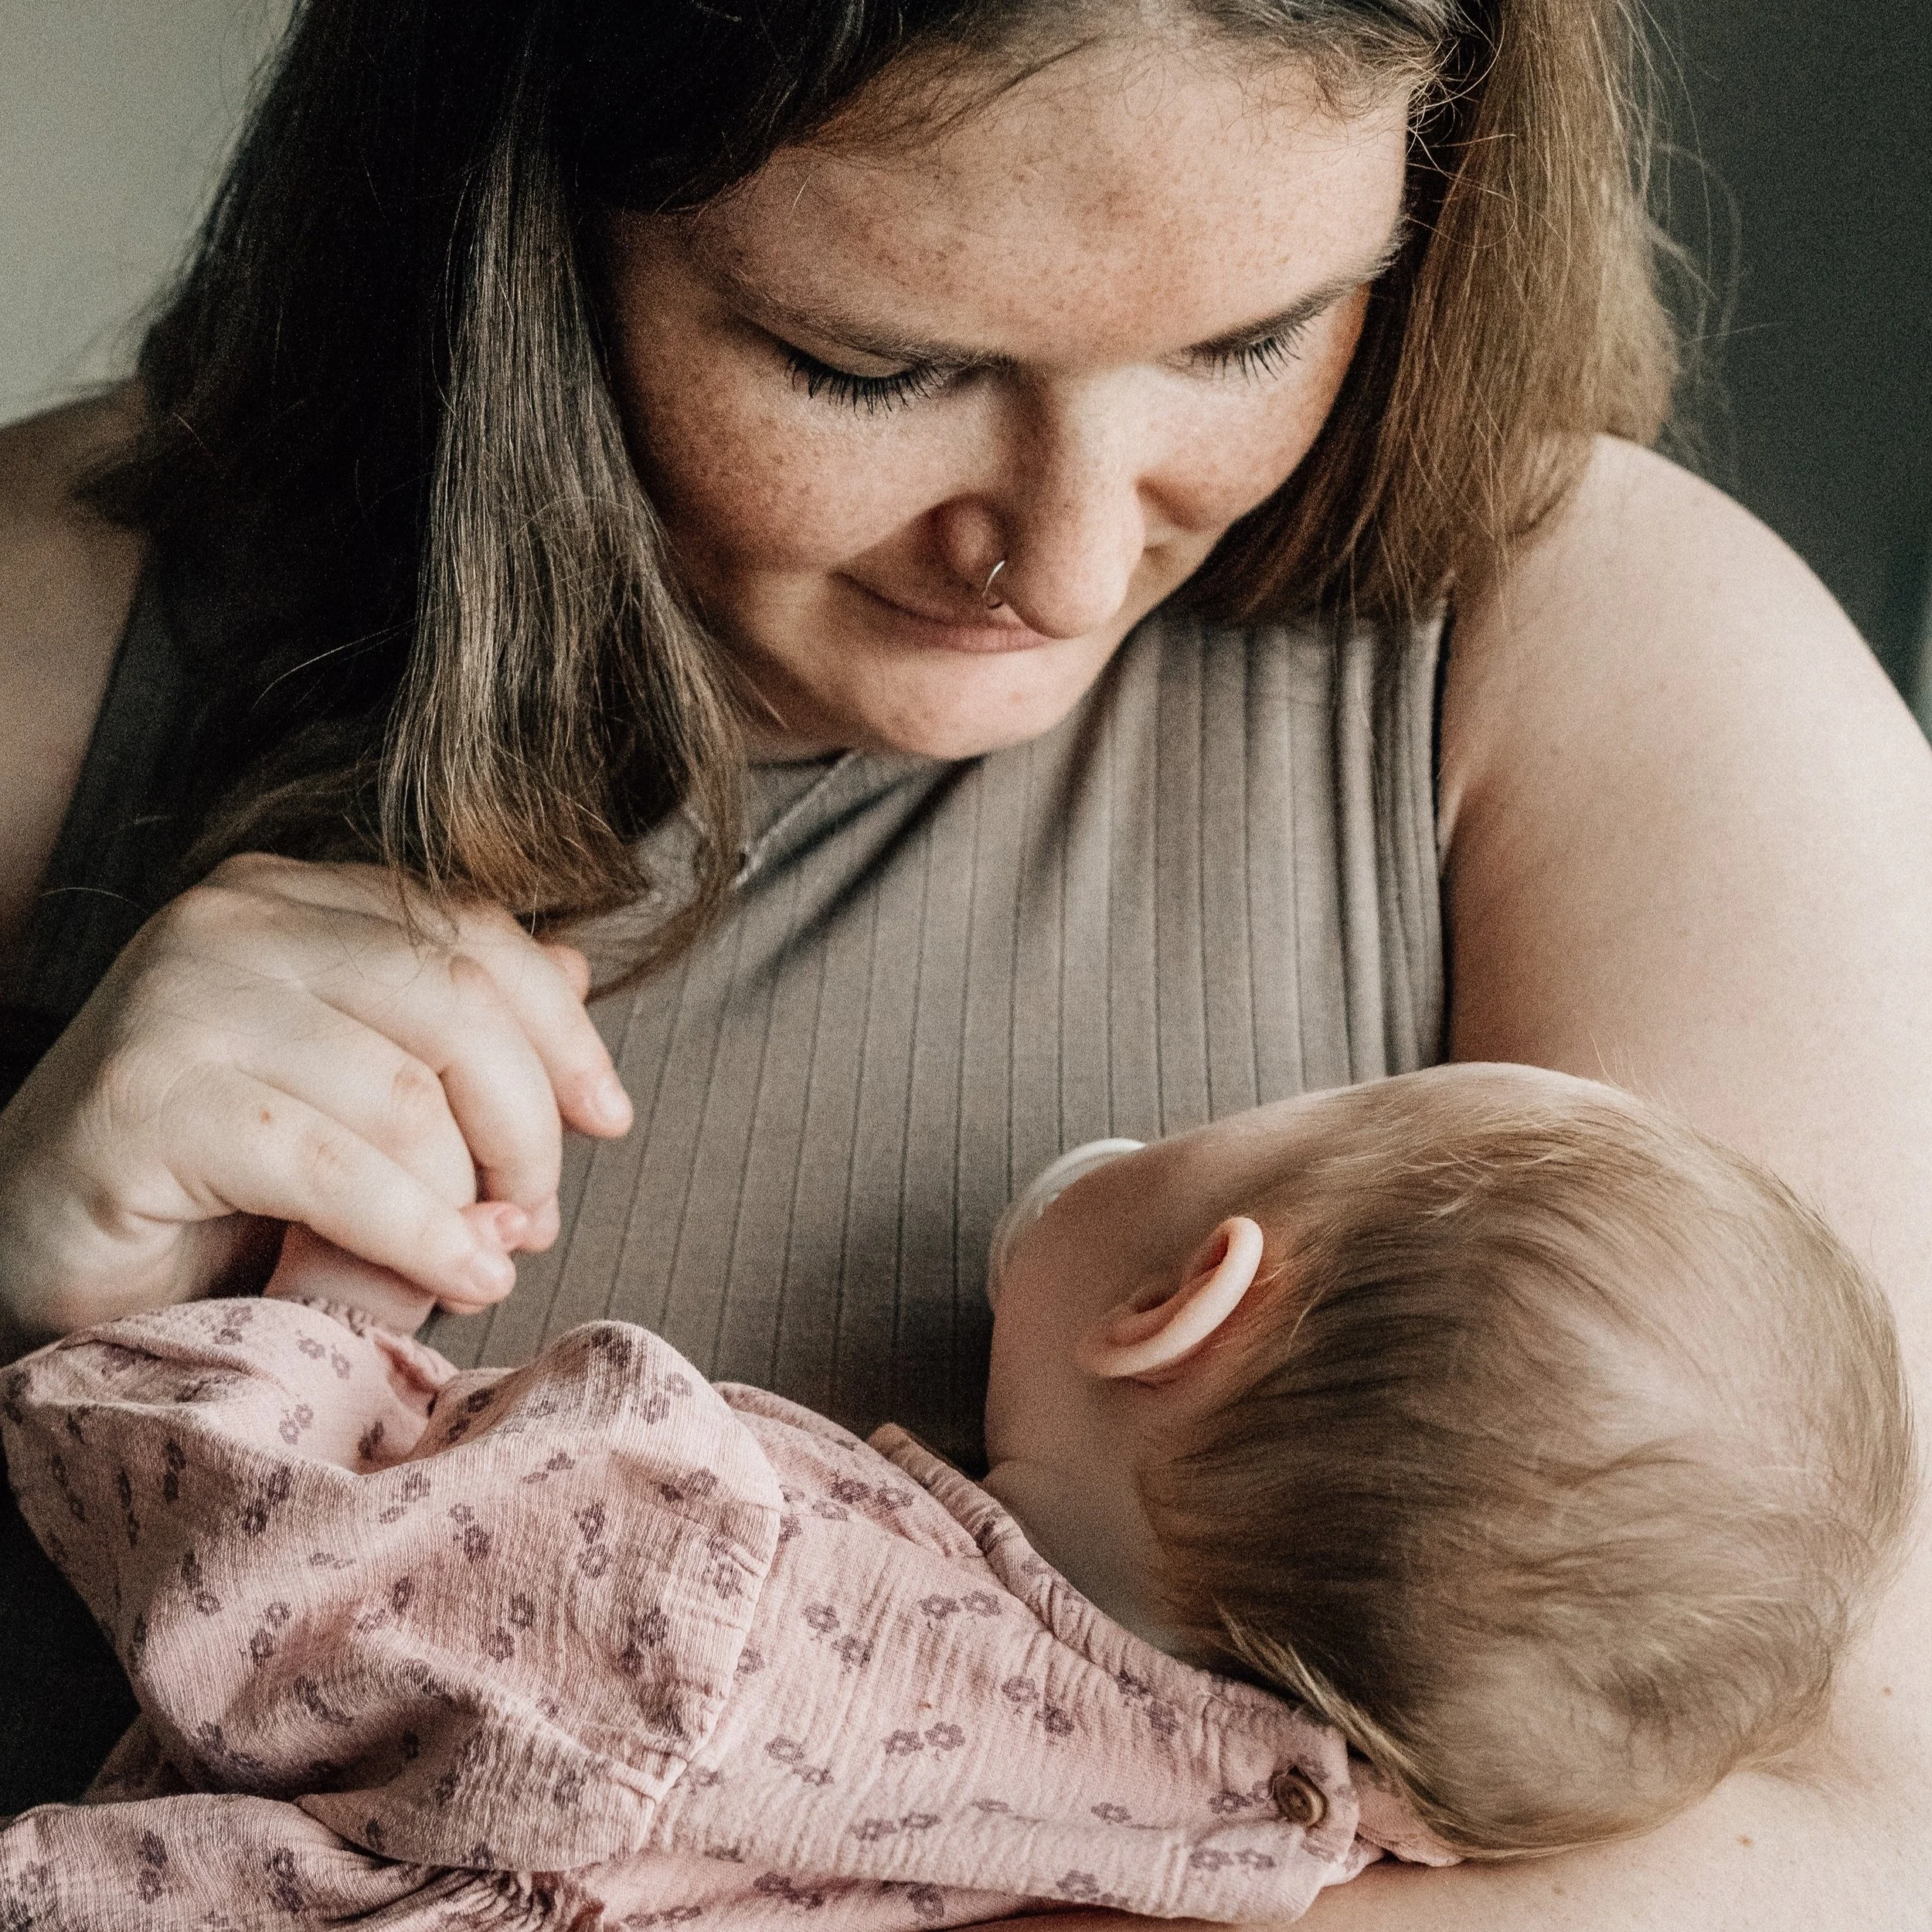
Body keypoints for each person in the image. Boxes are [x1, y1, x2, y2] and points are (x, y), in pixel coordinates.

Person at [0, 0, 1929, 1922]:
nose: (1070, 569)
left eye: (1249, 337)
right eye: (873, 364)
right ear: (513, 207)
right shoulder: (53, 636)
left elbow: (1857, 1840)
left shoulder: (1623, 668)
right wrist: (24, 1253)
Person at [0, 1063, 1910, 1927]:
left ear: (1179, 1300)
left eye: (1272, 1111)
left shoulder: (706, 1563)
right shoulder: (1291, 1833)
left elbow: (255, 1592)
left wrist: (311, 1321)